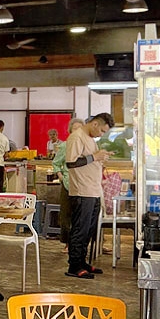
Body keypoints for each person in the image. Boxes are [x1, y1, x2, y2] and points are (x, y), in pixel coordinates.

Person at [65, 113, 114, 279]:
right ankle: (74, 266)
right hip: (82, 191)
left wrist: (100, 156)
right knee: (80, 230)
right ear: (94, 124)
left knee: (88, 231)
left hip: (93, 191)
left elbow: (88, 160)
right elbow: (71, 163)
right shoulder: (76, 137)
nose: (101, 134)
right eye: (101, 130)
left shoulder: (90, 139)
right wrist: (95, 156)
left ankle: (82, 262)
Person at [51, 118, 85, 253]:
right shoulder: (65, 146)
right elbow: (56, 163)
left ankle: (81, 243)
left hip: (84, 185)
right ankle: (68, 243)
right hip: (68, 183)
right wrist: (60, 177)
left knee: (81, 216)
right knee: (66, 216)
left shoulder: (86, 145)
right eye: (75, 129)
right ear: (70, 131)